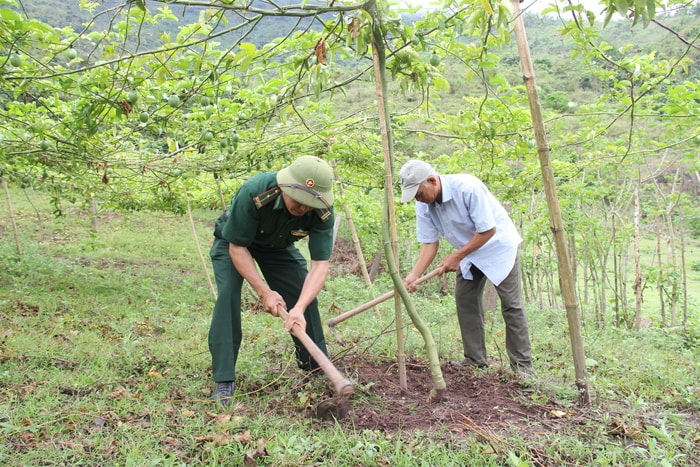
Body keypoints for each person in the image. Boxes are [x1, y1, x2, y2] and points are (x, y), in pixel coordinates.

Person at [208, 155, 336, 407]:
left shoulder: (323, 212)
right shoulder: (256, 191)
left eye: (310, 203)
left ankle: (314, 365)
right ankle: (224, 379)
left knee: (304, 294)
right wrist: (264, 291)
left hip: (277, 246)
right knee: (228, 297)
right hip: (234, 242)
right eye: (298, 201)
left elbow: (320, 266)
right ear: (285, 187)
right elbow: (237, 247)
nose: (303, 208)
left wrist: (297, 307)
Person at [399, 160, 533, 374]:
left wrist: (458, 256)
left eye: (419, 193)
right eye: (414, 196)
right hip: (468, 251)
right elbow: (429, 242)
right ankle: (475, 360)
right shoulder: (423, 205)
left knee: (511, 305)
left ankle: (523, 367)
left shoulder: (468, 187)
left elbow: (488, 230)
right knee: (465, 299)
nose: (418, 199)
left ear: (432, 181)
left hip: (497, 246)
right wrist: (414, 275)